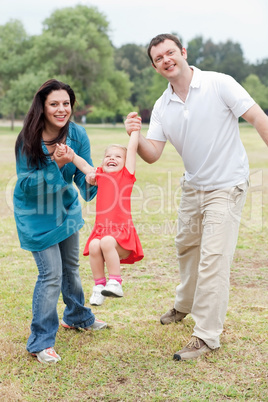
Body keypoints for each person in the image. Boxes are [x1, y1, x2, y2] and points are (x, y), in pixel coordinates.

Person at [125, 34, 268, 361]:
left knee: (213, 258)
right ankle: (184, 304)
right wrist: (134, 134)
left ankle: (206, 336)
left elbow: (258, 118)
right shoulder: (163, 105)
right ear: (154, 66)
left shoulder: (220, 84)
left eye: (170, 52)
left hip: (227, 184)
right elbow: (153, 153)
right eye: (158, 58)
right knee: (186, 247)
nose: (166, 60)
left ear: (183, 53)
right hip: (193, 187)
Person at [14, 79, 108, 364]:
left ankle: (78, 316)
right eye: (54, 104)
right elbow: (28, 185)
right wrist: (57, 163)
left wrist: (90, 178)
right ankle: (40, 342)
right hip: (36, 217)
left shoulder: (77, 134)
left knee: (70, 268)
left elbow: (82, 174)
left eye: (66, 103)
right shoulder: (27, 139)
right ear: (42, 107)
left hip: (66, 211)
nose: (61, 109)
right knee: (51, 275)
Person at [55, 129, 144, 306]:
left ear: (126, 163)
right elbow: (84, 166)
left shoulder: (126, 176)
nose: (112, 158)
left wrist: (134, 131)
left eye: (118, 157)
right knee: (95, 245)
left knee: (106, 242)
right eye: (108, 156)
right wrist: (72, 155)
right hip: (102, 232)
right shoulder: (100, 175)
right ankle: (99, 286)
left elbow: (132, 148)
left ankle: (116, 282)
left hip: (121, 236)